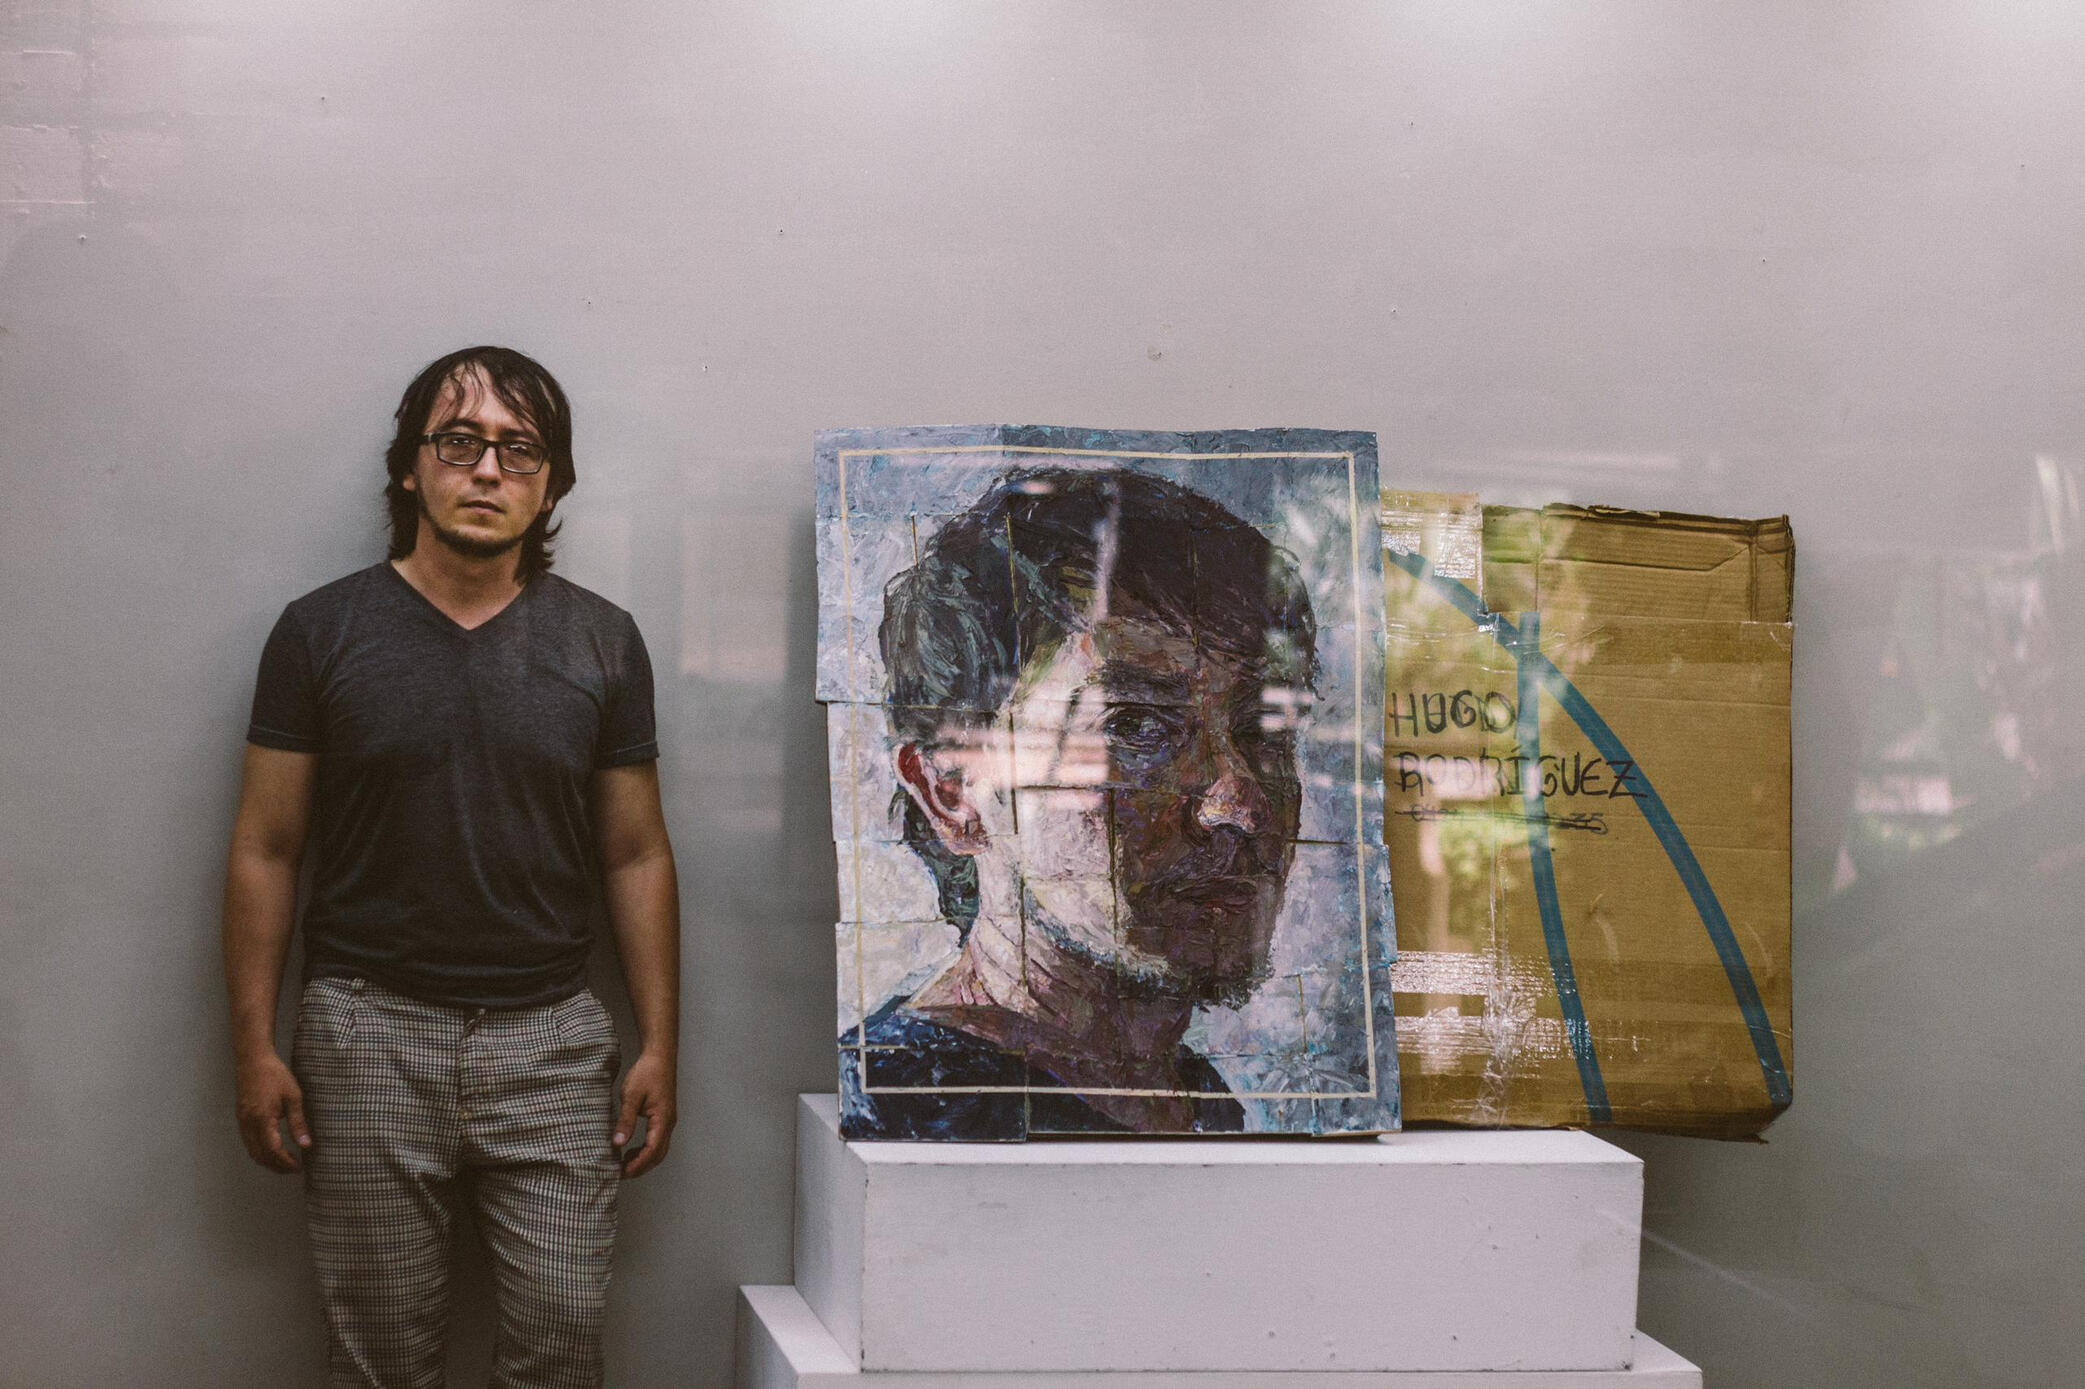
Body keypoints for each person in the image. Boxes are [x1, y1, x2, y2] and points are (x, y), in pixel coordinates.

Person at [221, 346, 680, 1388]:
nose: (486, 470)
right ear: (410, 465)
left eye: (520, 449)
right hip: (366, 1031)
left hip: (552, 1038)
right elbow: (265, 847)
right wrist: (252, 1046)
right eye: (460, 441)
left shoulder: (604, 641)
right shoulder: (319, 632)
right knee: (379, 1359)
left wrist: (661, 1041)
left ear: (552, 484)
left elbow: (636, 851)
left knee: (562, 1343)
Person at [839, 467, 1318, 1138]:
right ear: (951, 792)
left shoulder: (1195, 1097)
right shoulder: (907, 1108)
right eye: (1135, 726)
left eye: (1264, 731)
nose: (1239, 804)